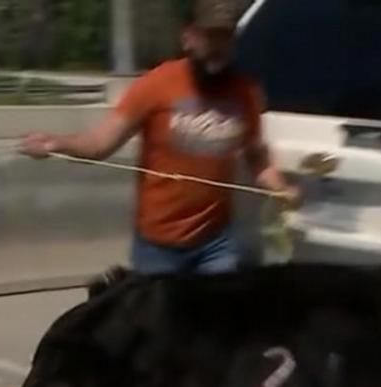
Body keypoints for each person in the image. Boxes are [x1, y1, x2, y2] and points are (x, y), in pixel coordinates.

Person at [17, 0, 297, 274]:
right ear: (189, 37)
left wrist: (279, 187)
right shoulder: (157, 84)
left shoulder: (246, 93)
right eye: (209, 35)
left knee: (215, 319)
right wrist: (57, 143)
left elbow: (256, 155)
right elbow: (100, 144)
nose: (217, 46)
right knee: (157, 320)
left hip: (216, 243)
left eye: (225, 36)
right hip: (158, 248)